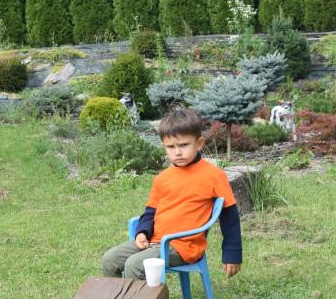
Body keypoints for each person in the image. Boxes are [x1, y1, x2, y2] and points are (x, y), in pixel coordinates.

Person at [102, 108, 242, 282]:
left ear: (199, 143)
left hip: (183, 247)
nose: (177, 152)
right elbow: (150, 212)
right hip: (154, 241)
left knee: (135, 265)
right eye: (171, 147)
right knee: (110, 260)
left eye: (184, 145)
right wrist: (142, 232)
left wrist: (232, 254)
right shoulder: (162, 178)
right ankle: (120, 298)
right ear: (164, 147)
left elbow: (230, 217)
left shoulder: (214, 176)